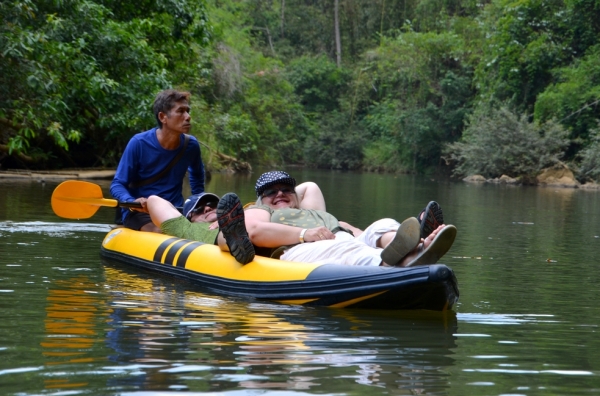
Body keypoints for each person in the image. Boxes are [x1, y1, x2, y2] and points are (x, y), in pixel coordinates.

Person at [216, 171, 456, 267]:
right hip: (299, 249)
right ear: (260, 199)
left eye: (286, 190)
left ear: (296, 195)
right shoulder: (264, 211)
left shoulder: (320, 214)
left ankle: (415, 247)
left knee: (380, 226)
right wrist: (304, 234)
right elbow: (255, 231)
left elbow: (358, 234)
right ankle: (403, 261)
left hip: (340, 239)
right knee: (346, 249)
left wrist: (370, 236)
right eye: (270, 192)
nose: (279, 194)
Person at [145, 181, 331, 265]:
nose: (208, 209)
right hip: (229, 239)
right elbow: (154, 200)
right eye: (198, 210)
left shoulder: (247, 213)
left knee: (245, 225)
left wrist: (276, 198)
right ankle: (235, 239)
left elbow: (309, 187)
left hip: (270, 236)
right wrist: (144, 203)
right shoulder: (185, 227)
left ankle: (238, 233)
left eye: (212, 205)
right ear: (188, 219)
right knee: (225, 235)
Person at [110, 89, 205, 233]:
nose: (187, 117)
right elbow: (117, 184)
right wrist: (131, 200)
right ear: (163, 117)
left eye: (187, 111)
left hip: (174, 211)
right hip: (140, 213)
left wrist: (198, 206)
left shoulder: (191, 145)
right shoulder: (138, 143)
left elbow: (197, 178)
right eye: (180, 111)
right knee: (163, 231)